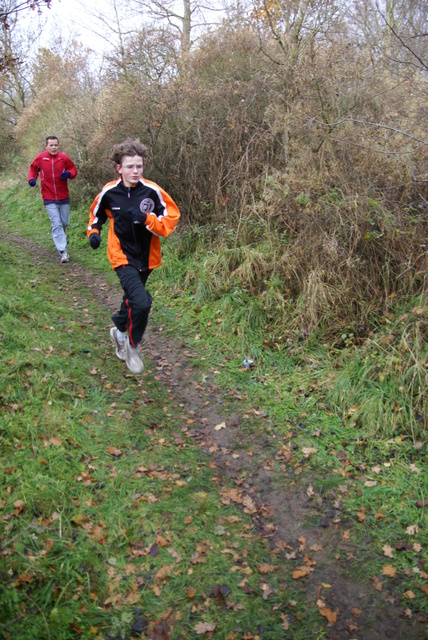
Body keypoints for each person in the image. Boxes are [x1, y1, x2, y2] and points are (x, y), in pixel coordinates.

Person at [87, 138, 180, 374]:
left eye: (139, 166)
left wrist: (148, 220)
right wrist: (94, 233)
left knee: (131, 298)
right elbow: (96, 215)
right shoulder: (110, 192)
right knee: (141, 301)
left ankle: (118, 332)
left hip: (147, 257)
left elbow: (171, 218)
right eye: (130, 166)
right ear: (119, 168)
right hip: (121, 256)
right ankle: (131, 344)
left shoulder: (152, 191)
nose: (135, 171)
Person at [28, 136, 78, 263]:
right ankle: (63, 251)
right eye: (51, 145)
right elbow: (33, 169)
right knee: (56, 223)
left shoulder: (63, 157)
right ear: (46, 146)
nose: (54, 147)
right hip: (48, 195)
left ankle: (60, 234)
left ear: (58, 146)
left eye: (56, 145)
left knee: (64, 222)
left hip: (63, 195)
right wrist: (32, 179)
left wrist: (69, 174)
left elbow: (73, 169)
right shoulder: (41, 158)